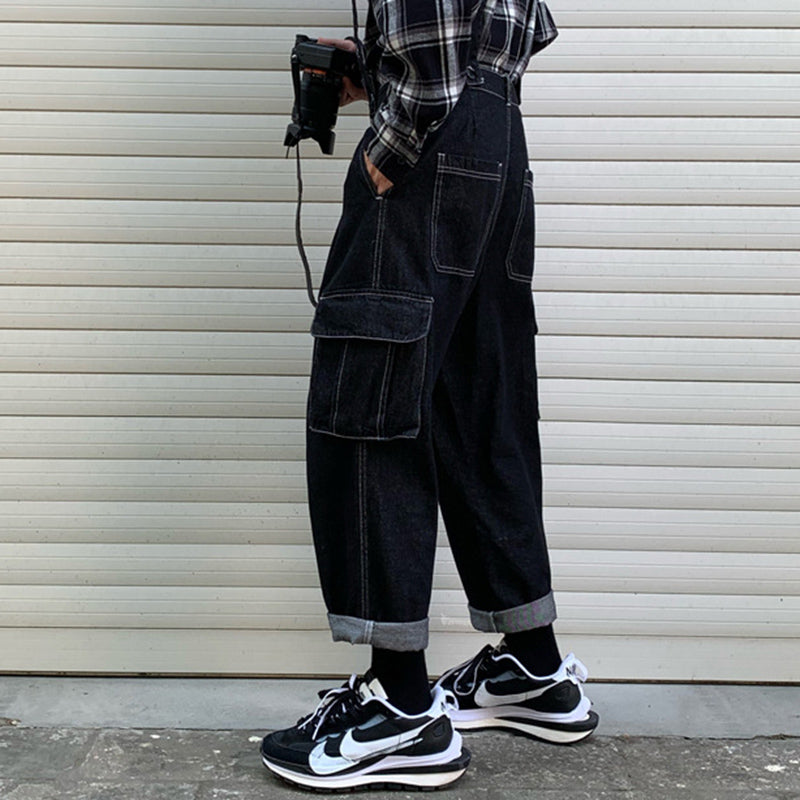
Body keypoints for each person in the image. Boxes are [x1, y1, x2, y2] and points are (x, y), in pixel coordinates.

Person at [261, 0, 598, 790]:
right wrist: (376, 67)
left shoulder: (414, 132)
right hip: (497, 142)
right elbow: (517, 29)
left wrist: (393, 141)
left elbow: (436, 50)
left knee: (370, 404)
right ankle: (534, 666)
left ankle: (401, 709)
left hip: (433, 144)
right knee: (479, 409)